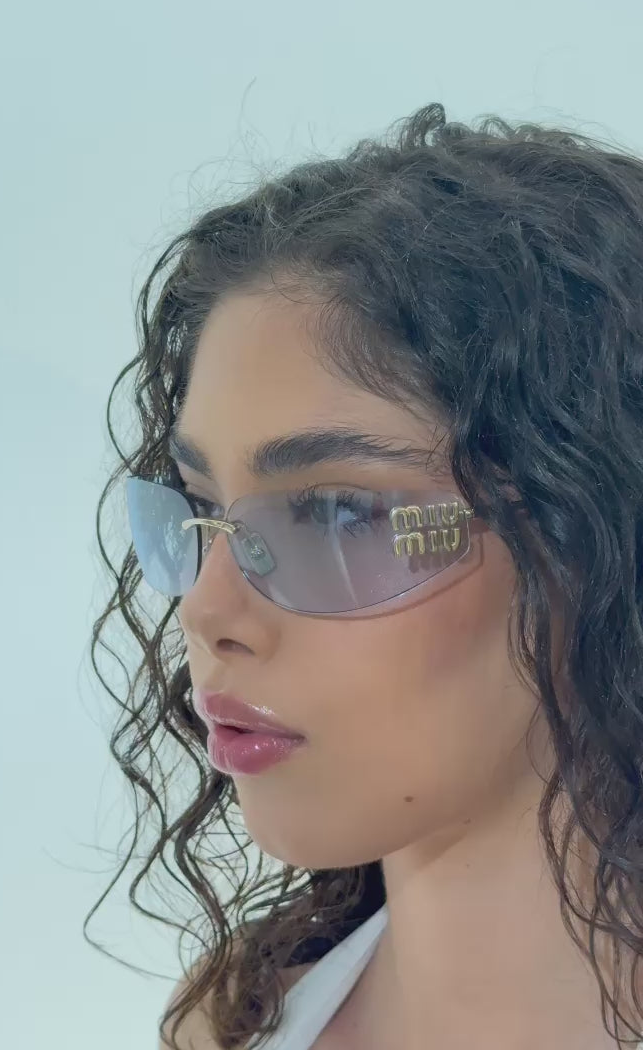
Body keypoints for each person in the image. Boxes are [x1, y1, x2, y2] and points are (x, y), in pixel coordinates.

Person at [87, 103, 643, 1049]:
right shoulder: (228, 1023)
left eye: (335, 513)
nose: (208, 610)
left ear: (593, 539)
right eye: (198, 504)